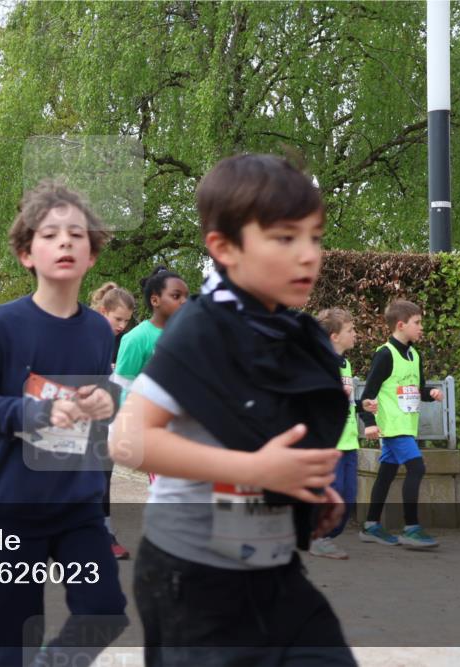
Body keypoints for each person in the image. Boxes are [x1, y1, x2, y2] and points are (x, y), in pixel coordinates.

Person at [109, 153, 355, 666]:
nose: (309, 254)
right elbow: (127, 441)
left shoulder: (283, 330)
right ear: (224, 247)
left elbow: (252, 430)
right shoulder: (200, 328)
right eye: (286, 238)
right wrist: (256, 469)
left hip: (273, 569)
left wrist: (299, 488)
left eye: (315, 236)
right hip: (192, 581)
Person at [0, 180, 128, 667]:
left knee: (105, 613)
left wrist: (104, 402)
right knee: (16, 637)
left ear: (93, 254)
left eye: (77, 234)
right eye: (50, 234)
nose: (66, 242)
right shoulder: (2, 324)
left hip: (78, 504)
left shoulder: (98, 330)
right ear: (25, 253)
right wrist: (34, 414)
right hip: (14, 506)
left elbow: (98, 398)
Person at [358, 299, 444, 549]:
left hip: (407, 426)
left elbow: (416, 389)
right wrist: (369, 423)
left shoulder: (414, 354)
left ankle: (371, 525)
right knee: (416, 468)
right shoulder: (385, 354)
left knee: (386, 474)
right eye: (417, 323)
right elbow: (368, 395)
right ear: (400, 324)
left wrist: (431, 394)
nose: (421, 328)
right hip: (393, 428)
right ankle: (411, 528)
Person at [115, 266, 188, 487]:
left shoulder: (187, 333)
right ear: (155, 300)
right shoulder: (136, 339)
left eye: (185, 296)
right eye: (176, 296)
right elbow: (121, 387)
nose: (183, 302)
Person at [310, 308, 363, 560]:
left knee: (349, 498)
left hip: (349, 441)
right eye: (350, 330)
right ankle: (317, 537)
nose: (356, 334)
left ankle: (322, 536)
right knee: (335, 494)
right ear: (334, 336)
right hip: (329, 444)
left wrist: (364, 407)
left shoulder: (346, 364)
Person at [89, 281, 137, 559]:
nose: (122, 325)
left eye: (126, 321)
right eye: (118, 319)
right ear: (104, 311)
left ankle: (105, 532)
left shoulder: (113, 339)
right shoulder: (83, 331)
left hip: (104, 417)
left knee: (103, 476)